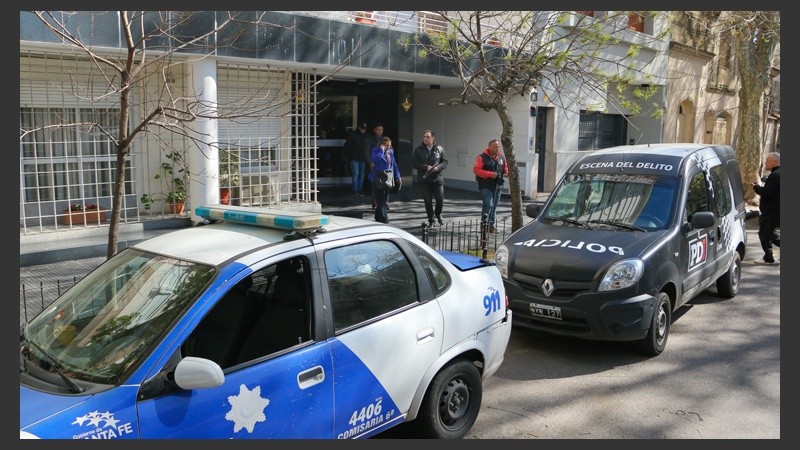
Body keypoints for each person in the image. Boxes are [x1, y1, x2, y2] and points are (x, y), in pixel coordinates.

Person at [412, 130, 448, 227]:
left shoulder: (439, 149)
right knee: (428, 201)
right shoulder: (418, 149)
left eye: (428, 137)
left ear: (433, 138)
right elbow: (414, 163)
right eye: (424, 136)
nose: (425, 138)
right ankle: (431, 220)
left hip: (437, 179)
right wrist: (425, 167)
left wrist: (438, 167)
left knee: (440, 200)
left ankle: (438, 214)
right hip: (424, 180)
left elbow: (445, 162)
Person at [473, 139, 508, 233]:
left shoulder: (501, 157)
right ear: (489, 147)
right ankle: (484, 225)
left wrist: (506, 173)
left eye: (498, 147)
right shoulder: (481, 157)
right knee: (488, 204)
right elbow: (476, 170)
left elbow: (505, 169)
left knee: (494, 206)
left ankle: (491, 226)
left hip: (498, 185)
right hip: (486, 185)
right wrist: (489, 174)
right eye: (495, 147)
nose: (497, 148)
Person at [753, 151, 780, 264]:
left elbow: (768, 192)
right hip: (775, 210)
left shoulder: (775, 175)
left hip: (771, 211)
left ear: (775, 161)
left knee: (765, 235)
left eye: (767, 161)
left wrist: (757, 188)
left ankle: (768, 257)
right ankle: (768, 256)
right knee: (770, 234)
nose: (765, 163)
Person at [369, 136, 401, 224]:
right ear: (382, 145)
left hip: (387, 178)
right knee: (381, 200)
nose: (389, 147)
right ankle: (384, 218)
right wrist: (381, 151)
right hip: (377, 178)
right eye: (387, 145)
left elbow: (393, 164)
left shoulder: (390, 152)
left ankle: (378, 216)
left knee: (383, 199)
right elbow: (375, 160)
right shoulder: (375, 150)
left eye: (390, 146)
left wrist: (398, 176)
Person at [342, 122, 371, 197]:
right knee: (356, 174)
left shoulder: (366, 135)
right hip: (354, 157)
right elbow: (347, 145)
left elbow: (368, 147)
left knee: (361, 175)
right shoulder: (353, 134)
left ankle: (359, 190)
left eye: (365, 129)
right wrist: (344, 156)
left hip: (362, 158)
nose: (363, 130)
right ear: (359, 128)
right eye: (362, 128)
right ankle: (355, 191)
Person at [366, 123, 385, 209]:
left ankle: (384, 202)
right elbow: (367, 151)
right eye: (378, 129)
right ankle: (374, 201)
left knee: (384, 184)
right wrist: (370, 162)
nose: (379, 131)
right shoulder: (370, 139)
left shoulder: (385, 139)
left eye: (381, 129)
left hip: (384, 166)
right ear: (374, 130)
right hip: (374, 165)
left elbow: (390, 150)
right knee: (374, 184)